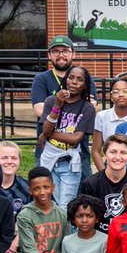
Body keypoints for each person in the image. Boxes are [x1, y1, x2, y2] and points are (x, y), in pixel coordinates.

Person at [30, 35, 97, 173]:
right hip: (47, 149)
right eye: (55, 51)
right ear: (49, 55)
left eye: (65, 51)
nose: (61, 55)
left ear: (73, 53)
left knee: (81, 191)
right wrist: (71, 106)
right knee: (44, 189)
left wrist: (47, 132)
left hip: (79, 151)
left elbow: (91, 106)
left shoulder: (86, 78)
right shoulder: (41, 79)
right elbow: (39, 110)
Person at [37, 64, 96, 209]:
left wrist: (47, 134)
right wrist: (57, 106)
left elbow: (76, 138)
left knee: (65, 206)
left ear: (85, 85)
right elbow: (45, 127)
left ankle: (66, 232)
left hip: (69, 163)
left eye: (80, 80)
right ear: (65, 80)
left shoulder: (87, 107)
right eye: (71, 78)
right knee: (53, 204)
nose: (74, 82)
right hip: (49, 160)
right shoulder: (51, 101)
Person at [79, 134, 127, 235]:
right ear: (104, 154)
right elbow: (86, 217)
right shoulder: (91, 183)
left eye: (123, 153)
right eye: (113, 152)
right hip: (99, 239)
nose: (118, 157)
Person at [91, 77, 127, 171]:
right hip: (110, 166)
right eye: (116, 91)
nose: (121, 94)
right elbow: (95, 151)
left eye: (126, 91)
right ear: (111, 97)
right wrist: (104, 174)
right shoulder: (102, 116)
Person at [0, 140, 30, 217]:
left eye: (14, 158)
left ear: (19, 160)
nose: (9, 161)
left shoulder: (27, 188)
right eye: (4, 158)